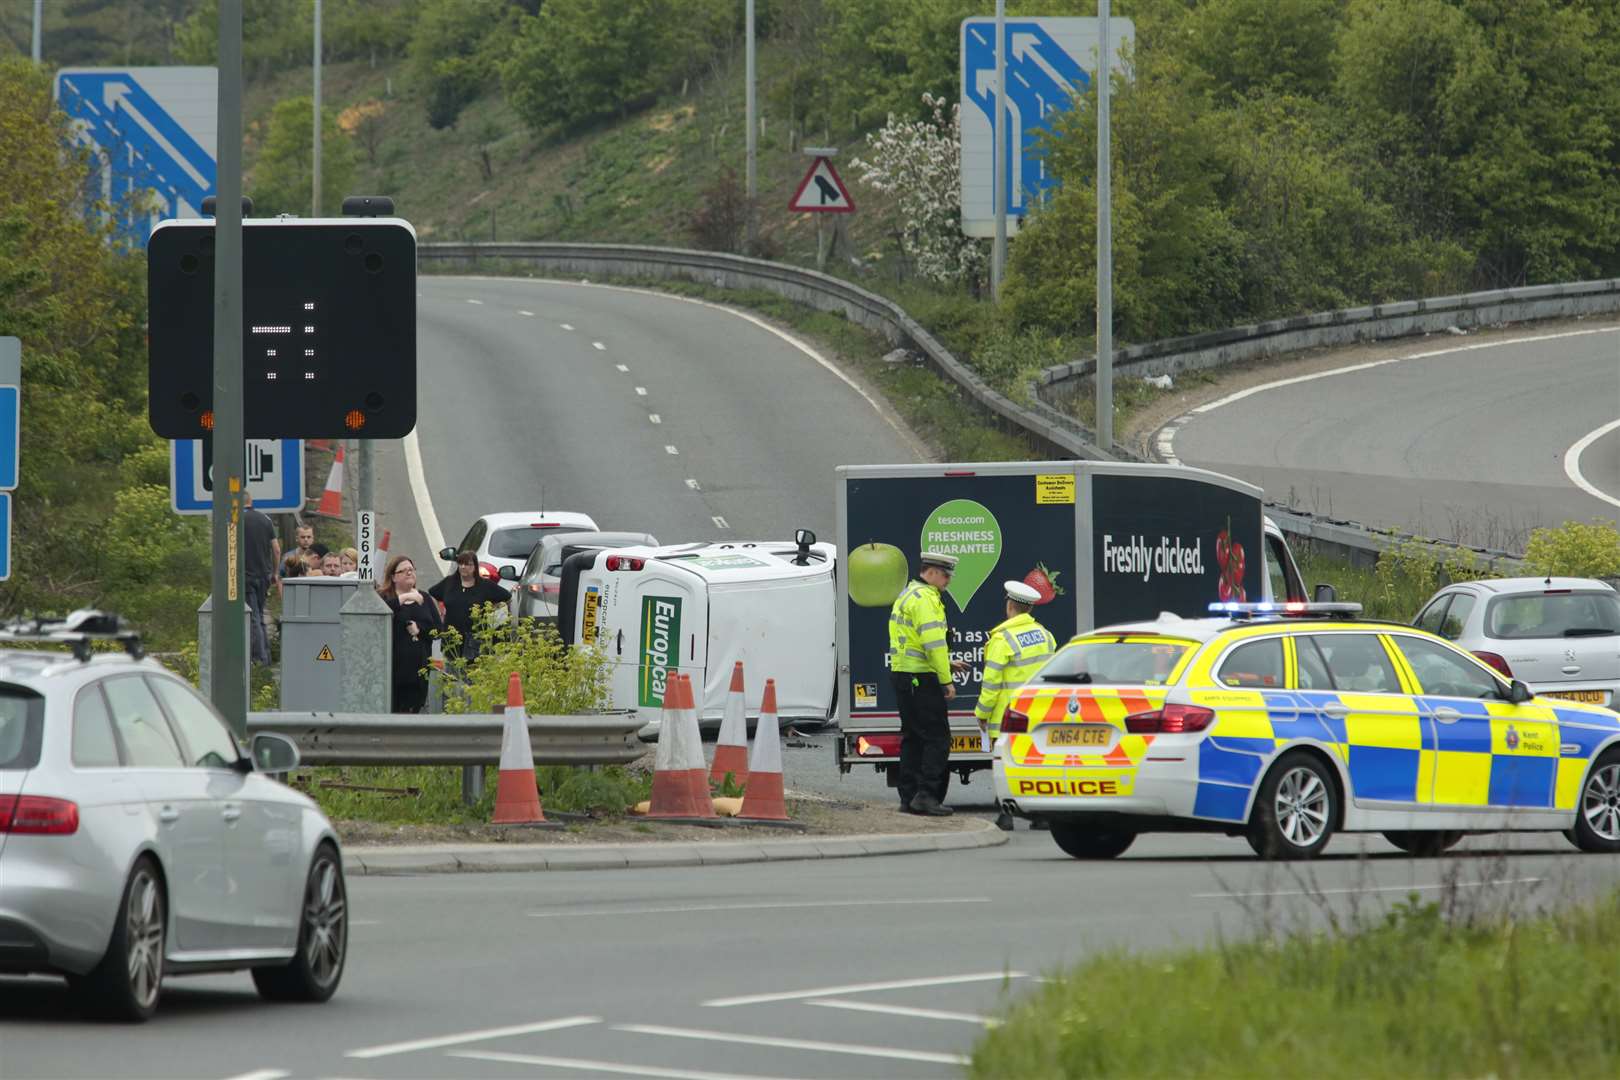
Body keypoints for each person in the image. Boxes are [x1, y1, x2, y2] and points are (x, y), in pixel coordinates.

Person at [888, 551, 967, 816]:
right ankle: (927, 796)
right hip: (921, 678)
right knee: (937, 739)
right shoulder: (926, 600)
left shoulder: (908, 594)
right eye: (946, 575)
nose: (949, 581)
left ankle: (908, 797)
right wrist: (946, 679)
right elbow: (933, 644)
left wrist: (947, 661)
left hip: (904, 676)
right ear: (931, 572)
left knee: (912, 738)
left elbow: (915, 641)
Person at [974, 580, 1058, 831]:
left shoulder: (1003, 639)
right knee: (1036, 764)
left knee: (1006, 768)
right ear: (1029, 610)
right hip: (1039, 715)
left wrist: (981, 713)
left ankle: (1006, 815)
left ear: (1010, 606)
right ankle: (1041, 815)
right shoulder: (1045, 635)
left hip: (1009, 718)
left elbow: (991, 684)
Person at [378, 555, 443, 713]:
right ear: (393, 577)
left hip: (418, 670)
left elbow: (438, 630)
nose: (409, 573)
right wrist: (405, 597)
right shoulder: (384, 597)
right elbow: (379, 617)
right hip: (392, 671)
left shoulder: (425, 598)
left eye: (411, 570)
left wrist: (419, 629)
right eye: (403, 571)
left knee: (413, 710)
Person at [428, 550, 511, 664]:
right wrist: (440, 614)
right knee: (452, 674)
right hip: (452, 640)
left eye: (467, 564)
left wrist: (492, 612)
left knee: (472, 675)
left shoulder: (484, 585)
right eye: (461, 564)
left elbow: (507, 597)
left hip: (475, 641)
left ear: (475, 567)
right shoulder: (449, 583)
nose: (463, 567)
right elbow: (432, 594)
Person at [240, 491, 279, 665]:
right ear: (251, 501)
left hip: (246, 576)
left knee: (253, 617)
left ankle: (259, 659)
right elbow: (276, 549)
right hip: (264, 575)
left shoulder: (236, 520)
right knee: (260, 615)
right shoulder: (265, 520)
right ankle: (267, 656)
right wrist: (275, 573)